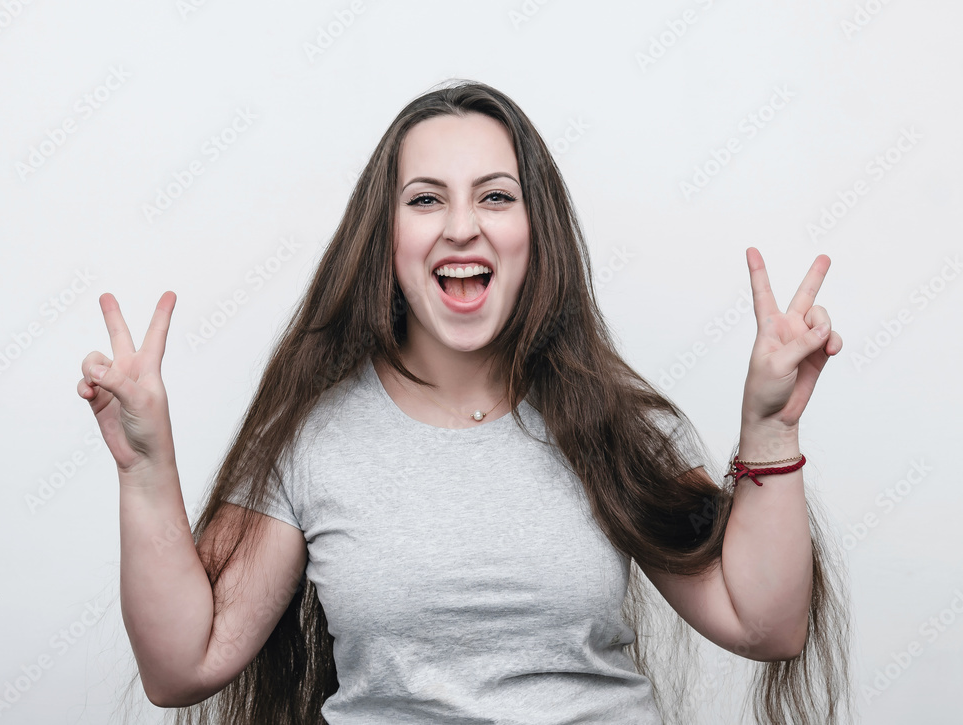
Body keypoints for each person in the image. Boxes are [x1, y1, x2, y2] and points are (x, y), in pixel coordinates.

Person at [78, 81, 852, 724]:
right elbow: (181, 667)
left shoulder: (615, 425)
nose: (460, 226)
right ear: (385, 237)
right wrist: (145, 470)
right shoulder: (311, 438)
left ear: (535, 231)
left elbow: (766, 624)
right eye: (425, 199)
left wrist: (772, 425)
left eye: (495, 196)